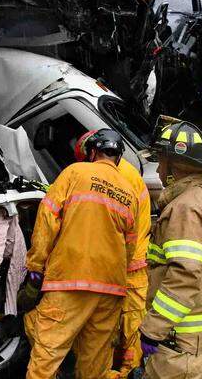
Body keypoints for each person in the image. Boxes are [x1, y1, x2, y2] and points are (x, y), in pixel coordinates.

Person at [21, 129, 139, 379]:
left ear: (92, 152)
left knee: (46, 354)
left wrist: (36, 266)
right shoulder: (129, 192)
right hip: (110, 289)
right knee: (94, 366)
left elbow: (47, 219)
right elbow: (129, 246)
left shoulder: (75, 172)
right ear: (118, 157)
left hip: (70, 280)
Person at [139, 120, 202, 379]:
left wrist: (154, 328)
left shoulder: (186, 208)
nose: (158, 169)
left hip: (180, 335)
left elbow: (184, 276)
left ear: (174, 167)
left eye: (160, 162)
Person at [73, 130, 151, 378]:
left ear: (93, 152)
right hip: (131, 261)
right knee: (126, 327)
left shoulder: (115, 177)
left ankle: (127, 372)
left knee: (125, 329)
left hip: (128, 264)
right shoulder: (125, 171)